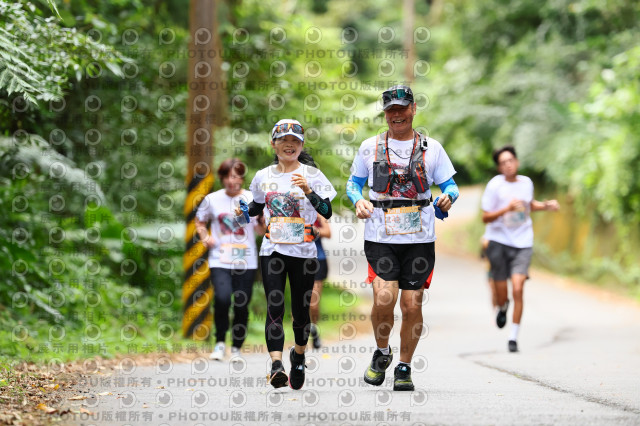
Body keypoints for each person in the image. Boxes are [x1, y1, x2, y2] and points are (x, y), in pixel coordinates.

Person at [346, 85, 459, 391]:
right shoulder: (369, 147)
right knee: (384, 298)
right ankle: (382, 351)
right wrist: (358, 200)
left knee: (411, 305)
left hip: (420, 238)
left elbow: (450, 186)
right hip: (380, 235)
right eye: (391, 110)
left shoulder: (432, 148)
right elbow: (353, 184)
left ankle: (404, 366)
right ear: (385, 114)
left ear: (413, 109)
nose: (396, 115)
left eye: (402, 108)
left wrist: (448, 197)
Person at [235, 119, 336, 390]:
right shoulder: (263, 176)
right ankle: (276, 365)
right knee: (275, 306)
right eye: (283, 140)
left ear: (301, 145)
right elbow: (255, 207)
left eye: (295, 141)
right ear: (274, 144)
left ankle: (298, 357)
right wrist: (241, 213)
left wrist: (308, 190)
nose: (289, 145)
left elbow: (326, 212)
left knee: (301, 312)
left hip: (304, 252)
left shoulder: (313, 174)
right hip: (273, 250)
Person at [481, 145, 559, 353]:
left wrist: (546, 206)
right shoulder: (495, 185)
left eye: (510, 160)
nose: (508, 165)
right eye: (503, 163)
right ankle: (502, 306)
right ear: (499, 168)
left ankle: (513, 337)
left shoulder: (526, 183)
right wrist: (506, 208)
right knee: (501, 293)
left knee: (518, 287)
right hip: (498, 241)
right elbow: (485, 217)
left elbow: (528, 205)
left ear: (517, 162)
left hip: (523, 242)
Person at [195, 158, 266, 362]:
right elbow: (200, 221)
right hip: (220, 258)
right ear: (221, 178)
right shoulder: (212, 199)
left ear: (242, 178)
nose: (231, 181)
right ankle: (219, 343)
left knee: (242, 304)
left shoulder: (253, 198)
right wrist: (205, 237)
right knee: (223, 299)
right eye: (226, 176)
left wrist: (262, 220)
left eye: (235, 176)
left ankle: (236, 347)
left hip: (246, 259)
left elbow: (261, 231)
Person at [309, 216, 331, 349]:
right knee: (298, 302)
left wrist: (312, 230)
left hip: (318, 259)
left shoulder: (318, 211)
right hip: (296, 259)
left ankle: (314, 329)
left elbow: (328, 232)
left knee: (313, 304)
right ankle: (298, 335)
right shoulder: (291, 208)